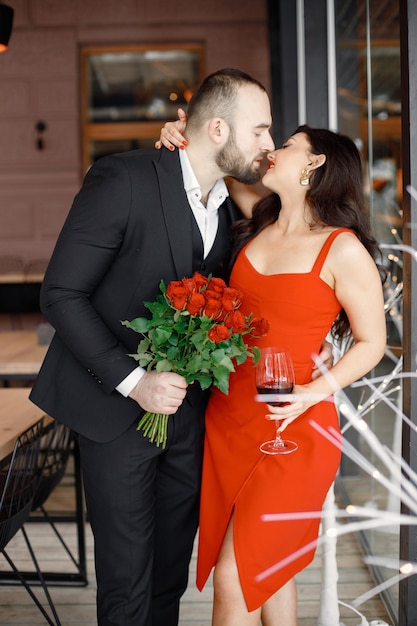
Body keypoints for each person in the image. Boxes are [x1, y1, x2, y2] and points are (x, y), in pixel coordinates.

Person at [29, 68, 276, 626]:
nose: (268, 143)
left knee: (168, 579)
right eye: (260, 130)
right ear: (217, 128)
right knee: (126, 585)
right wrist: (134, 381)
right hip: (113, 415)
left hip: (188, 418)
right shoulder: (124, 178)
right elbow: (61, 293)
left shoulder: (230, 206)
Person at [157, 123, 387, 624]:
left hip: (293, 424)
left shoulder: (341, 248)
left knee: (234, 577)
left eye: (286, 145)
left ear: (315, 163)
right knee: (271, 570)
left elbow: (373, 344)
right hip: (230, 420)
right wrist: (182, 136)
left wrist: (311, 393)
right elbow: (210, 166)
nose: (273, 151)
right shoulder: (256, 223)